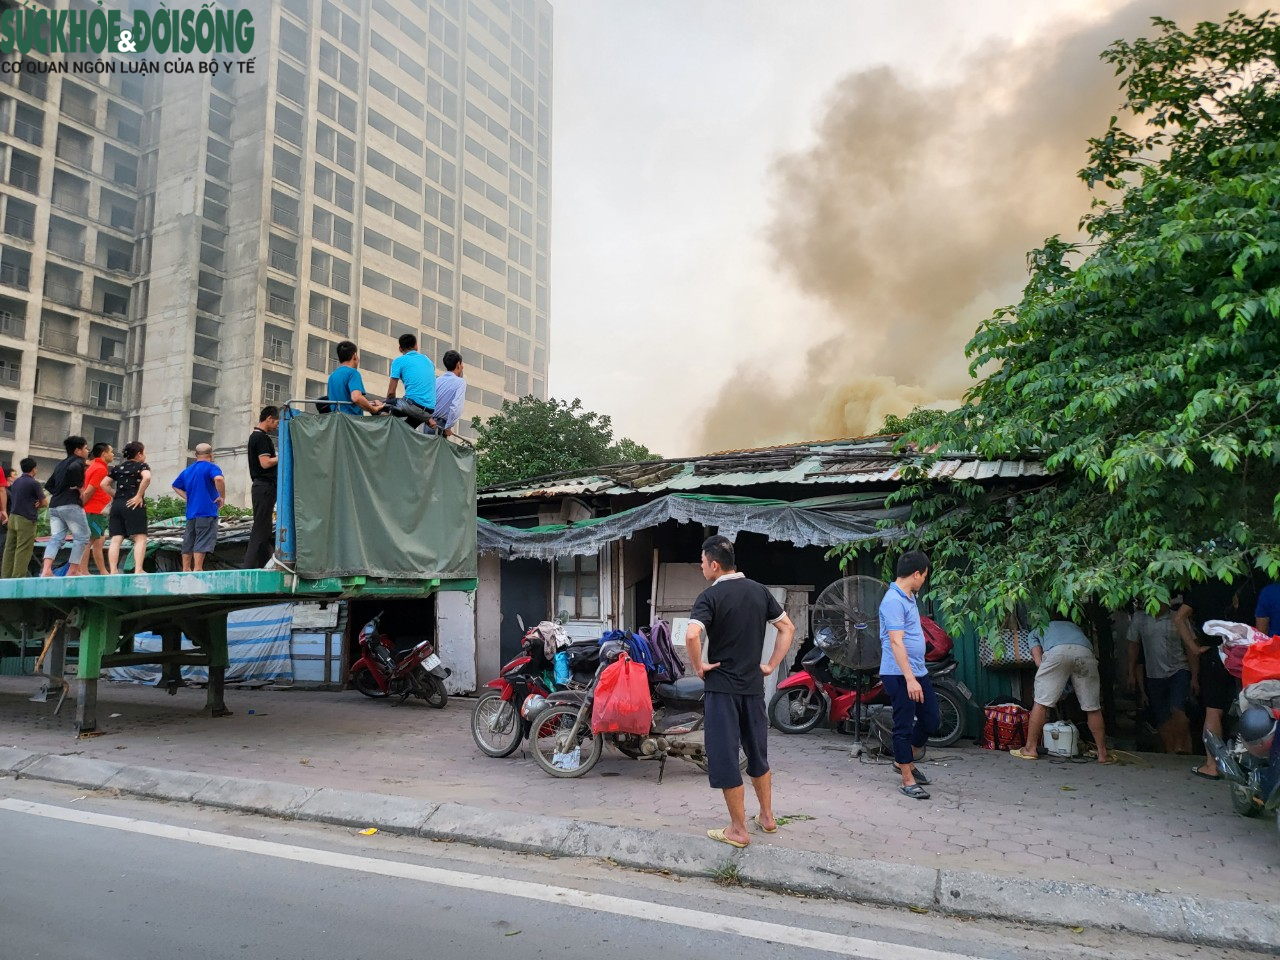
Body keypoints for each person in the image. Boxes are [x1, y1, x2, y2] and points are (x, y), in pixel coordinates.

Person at [685, 535, 794, 848]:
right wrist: (771, 664)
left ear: (715, 565)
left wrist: (699, 666)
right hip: (752, 687)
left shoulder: (710, 597)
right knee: (757, 752)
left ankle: (738, 829)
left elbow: (693, 635)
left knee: (724, 757)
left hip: (722, 690)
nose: (702, 567)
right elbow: (787, 628)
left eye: (703, 562)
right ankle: (768, 817)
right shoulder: (759, 591)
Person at [879, 550, 941, 799]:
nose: (924, 580)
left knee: (931, 719)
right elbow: (895, 642)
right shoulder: (892, 601)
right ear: (916, 574)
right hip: (899, 674)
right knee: (903, 725)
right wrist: (910, 679)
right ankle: (907, 778)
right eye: (924, 575)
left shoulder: (909, 596)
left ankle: (903, 759)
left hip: (918, 670)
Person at [1011, 614, 1113, 764]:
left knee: (1041, 703)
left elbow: (1039, 662)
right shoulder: (1075, 628)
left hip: (1057, 653)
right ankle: (1103, 754)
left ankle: (1030, 749)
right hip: (1085, 653)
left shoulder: (1036, 630)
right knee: (1092, 707)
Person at [1179, 581, 1250, 781]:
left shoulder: (1202, 588)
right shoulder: (1243, 586)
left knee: (1213, 710)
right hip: (1244, 652)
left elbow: (1179, 617)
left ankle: (1213, 764)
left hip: (1215, 654)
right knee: (1249, 705)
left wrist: (1193, 647)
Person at [1127, 602, 1192, 753]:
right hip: (1153, 674)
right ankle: (1171, 751)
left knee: (1178, 709)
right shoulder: (1140, 618)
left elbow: (1190, 646)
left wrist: (1194, 676)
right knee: (1162, 716)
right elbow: (1133, 646)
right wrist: (1131, 673)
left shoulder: (1178, 617)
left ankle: (1181, 746)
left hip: (1179, 669)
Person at [40, 435, 90, 577]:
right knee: (82, 536)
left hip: (55, 505)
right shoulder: (78, 461)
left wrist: (60, 491)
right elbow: (74, 468)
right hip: (71, 505)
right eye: (85, 448)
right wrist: (80, 489)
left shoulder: (60, 464)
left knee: (56, 538)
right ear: (77, 450)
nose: (87, 451)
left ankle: (46, 570)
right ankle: (73, 570)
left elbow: (49, 485)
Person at [171, 443, 225, 572]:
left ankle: (185, 569)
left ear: (196, 455)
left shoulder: (188, 470)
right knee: (203, 539)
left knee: (189, 539)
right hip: (206, 511)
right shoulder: (212, 467)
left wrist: (187, 497)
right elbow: (219, 479)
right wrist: (222, 496)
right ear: (211, 455)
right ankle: (197, 568)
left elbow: (175, 486)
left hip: (191, 513)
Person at [242, 407, 280, 569]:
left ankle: (264, 563)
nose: (277, 425)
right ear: (269, 418)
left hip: (261, 487)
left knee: (264, 529)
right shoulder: (261, 438)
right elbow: (265, 463)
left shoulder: (255, 436)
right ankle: (248, 567)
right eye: (277, 421)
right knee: (260, 528)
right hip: (265, 486)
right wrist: (283, 455)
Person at [107, 441, 151, 574]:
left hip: (117, 504)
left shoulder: (117, 468)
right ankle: (138, 569)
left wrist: (116, 496)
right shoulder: (141, 466)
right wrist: (139, 495)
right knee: (140, 537)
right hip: (134, 504)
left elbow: (104, 484)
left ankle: (113, 570)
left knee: (116, 538)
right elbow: (147, 478)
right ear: (139, 454)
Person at [1, 458, 44, 578]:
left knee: (9, 548)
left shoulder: (16, 482)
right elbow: (44, 502)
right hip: (26, 519)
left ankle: (5, 576)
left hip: (13, 517)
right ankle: (17, 578)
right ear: (34, 469)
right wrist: (38, 503)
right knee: (23, 548)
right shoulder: (34, 483)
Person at [384, 333, 436, 429]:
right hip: (430, 410)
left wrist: (389, 405)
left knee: (378, 407)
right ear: (416, 346)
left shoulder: (398, 361)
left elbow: (391, 393)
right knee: (404, 431)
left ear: (400, 348)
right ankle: (426, 418)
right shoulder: (428, 360)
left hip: (413, 407)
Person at [81, 442, 115, 574]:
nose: (112, 454)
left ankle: (103, 570)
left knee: (99, 540)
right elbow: (90, 490)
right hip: (94, 510)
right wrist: (83, 504)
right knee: (90, 540)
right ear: (104, 453)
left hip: (96, 511)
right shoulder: (100, 469)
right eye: (111, 451)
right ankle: (83, 570)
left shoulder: (95, 466)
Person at [325, 341, 385, 415]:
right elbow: (356, 398)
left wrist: (371, 403)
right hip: (351, 421)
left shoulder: (332, 376)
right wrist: (374, 409)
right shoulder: (353, 373)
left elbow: (346, 401)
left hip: (336, 420)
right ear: (355, 356)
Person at [429, 350, 466, 437]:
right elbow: (456, 407)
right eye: (461, 364)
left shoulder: (437, 380)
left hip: (429, 423)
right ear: (458, 364)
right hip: (441, 427)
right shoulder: (460, 382)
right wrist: (448, 427)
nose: (462, 367)